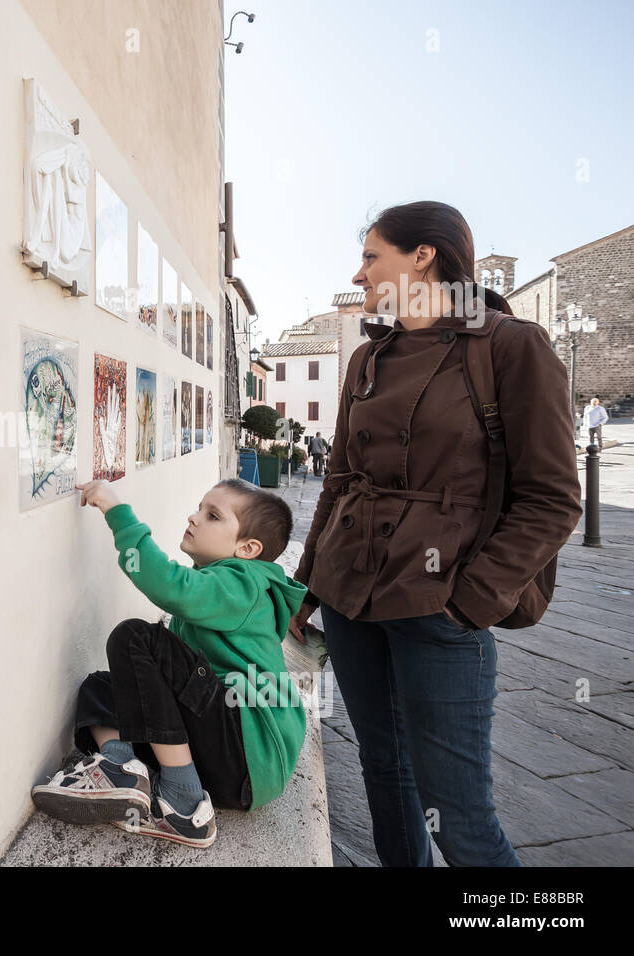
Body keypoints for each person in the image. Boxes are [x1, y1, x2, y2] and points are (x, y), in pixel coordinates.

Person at [287, 200, 582, 867]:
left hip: (439, 606)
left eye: (371, 256)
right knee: (385, 782)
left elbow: (554, 498)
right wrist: (304, 586)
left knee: (461, 820)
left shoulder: (509, 346)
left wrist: (470, 600)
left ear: (424, 256)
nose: (359, 274)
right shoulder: (367, 358)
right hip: (350, 598)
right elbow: (338, 480)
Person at [30, 477, 308, 849]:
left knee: (135, 638)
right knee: (100, 686)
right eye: (198, 508)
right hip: (222, 758)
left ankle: (183, 800)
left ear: (248, 548)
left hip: (244, 751)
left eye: (212, 516)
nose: (193, 518)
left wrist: (117, 511)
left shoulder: (245, 583)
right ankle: (121, 769)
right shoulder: (217, 585)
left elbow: (168, 585)